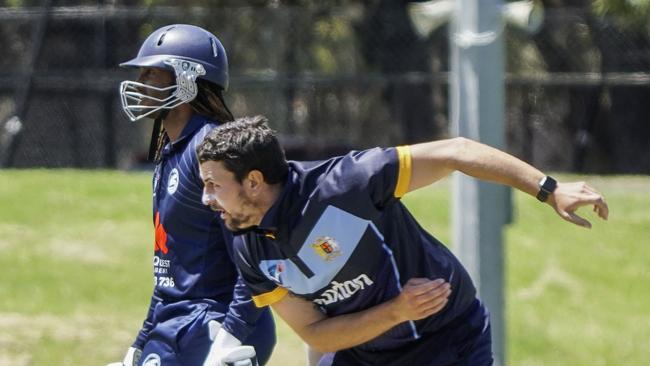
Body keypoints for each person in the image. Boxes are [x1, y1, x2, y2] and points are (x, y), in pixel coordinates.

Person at [195, 115, 609, 366]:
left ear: (253, 182)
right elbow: (316, 335)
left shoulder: (347, 184)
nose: (205, 198)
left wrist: (549, 189)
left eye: (213, 185)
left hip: (447, 341)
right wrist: (396, 311)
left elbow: (457, 151)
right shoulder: (246, 243)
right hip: (364, 354)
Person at [110, 25, 275, 366]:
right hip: (178, 322)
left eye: (152, 74)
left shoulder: (209, 150)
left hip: (213, 322)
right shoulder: (170, 152)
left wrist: (230, 337)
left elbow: (254, 258)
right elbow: (170, 271)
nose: (139, 84)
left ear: (187, 80)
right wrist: (139, 343)